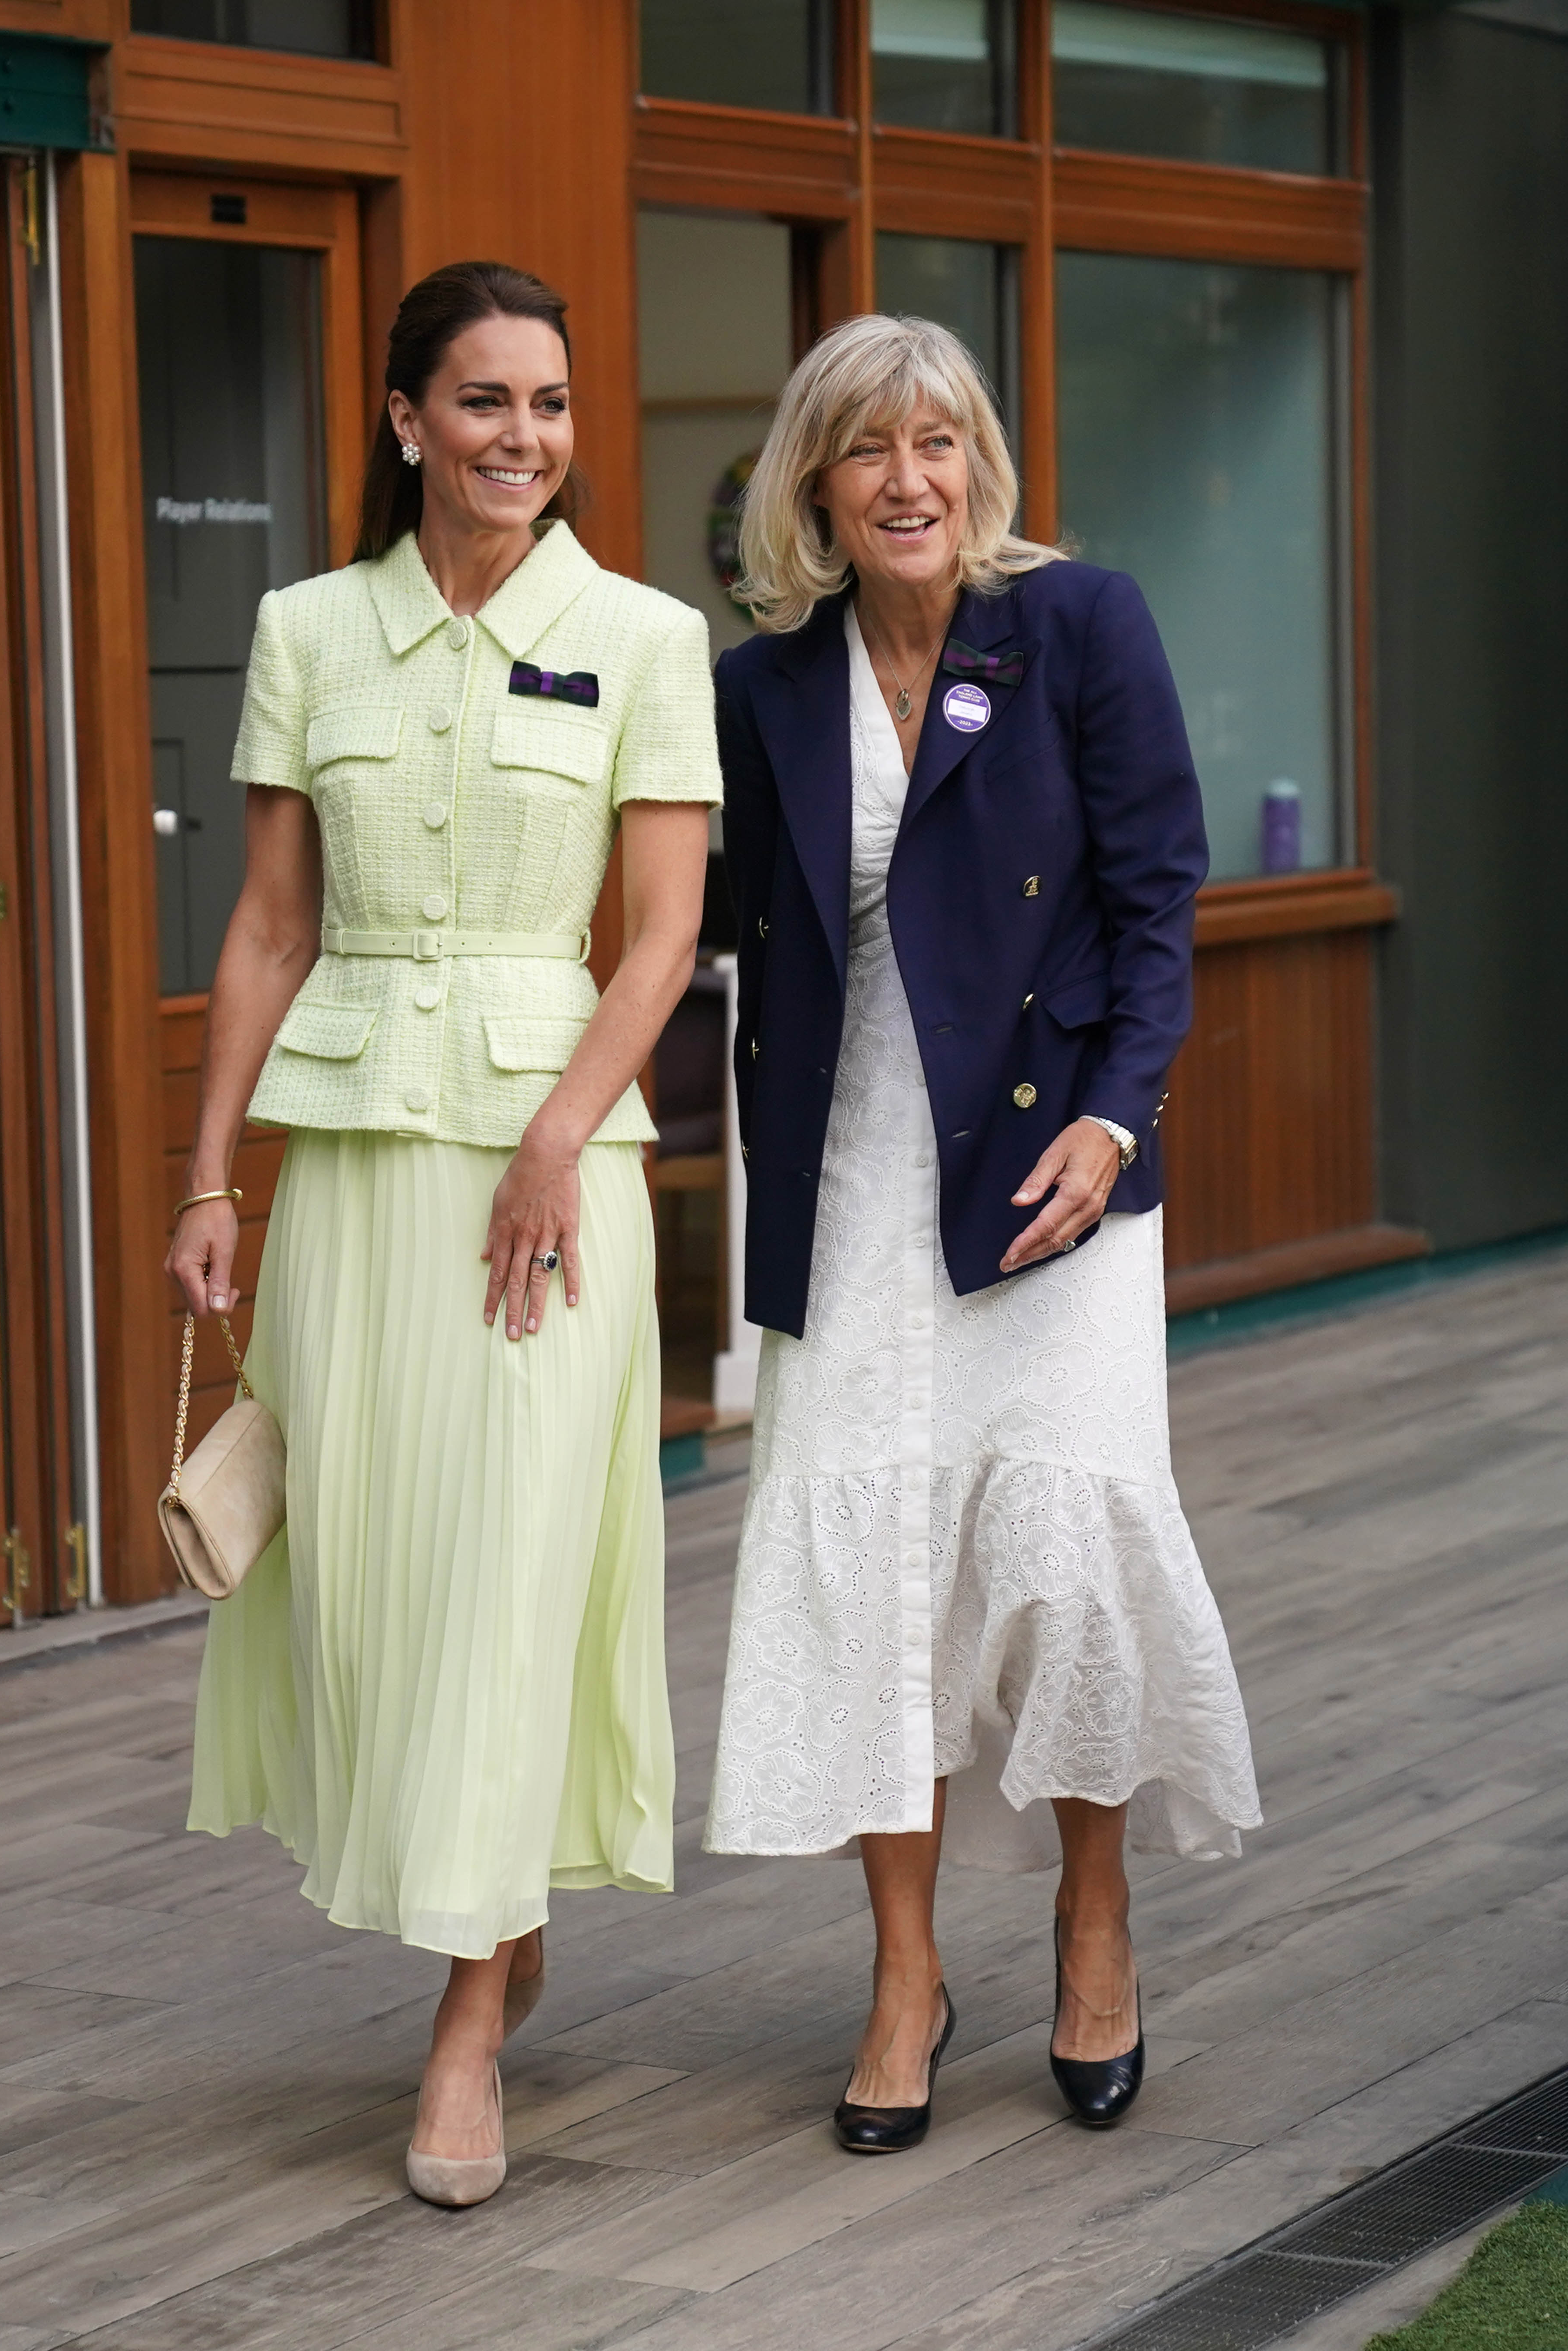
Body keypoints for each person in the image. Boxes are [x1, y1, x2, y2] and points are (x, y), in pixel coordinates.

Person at [170, 260, 719, 2208]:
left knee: (505, 1571)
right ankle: (490, 1904)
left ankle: (470, 2013)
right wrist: (211, 1176)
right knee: (380, 1581)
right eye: (484, 401)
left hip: (548, 1175)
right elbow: (265, 925)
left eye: (550, 404)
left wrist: (561, 1136)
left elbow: (659, 938)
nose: (525, 439)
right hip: (356, 1169)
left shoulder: (645, 637)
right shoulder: (306, 629)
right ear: (406, 419)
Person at [705, 313, 1260, 2153]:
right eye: (867, 447)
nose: (907, 478)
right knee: (877, 1569)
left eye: (936, 441)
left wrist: (1116, 1118)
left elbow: (1160, 893)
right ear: (815, 481)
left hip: (1051, 1169)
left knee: (1063, 1547)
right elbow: (697, 916)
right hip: (850, 1167)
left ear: (979, 466)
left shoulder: (1076, 627)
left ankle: (1093, 1924)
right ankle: (903, 1972)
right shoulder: (766, 683)